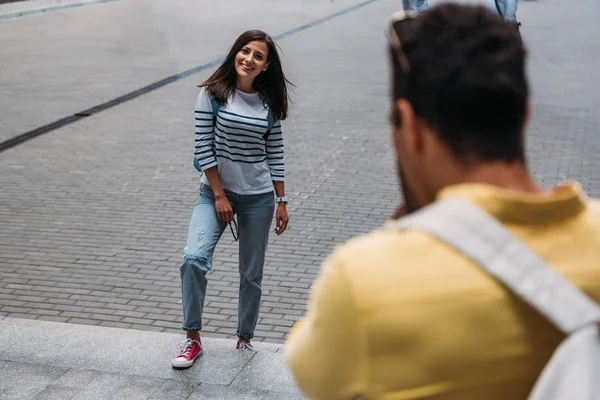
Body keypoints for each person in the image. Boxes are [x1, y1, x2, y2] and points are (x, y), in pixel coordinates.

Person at [285, 4, 600, 399]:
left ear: (410, 126)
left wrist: (409, 225)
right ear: (525, 116)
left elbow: (311, 371)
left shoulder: (362, 282)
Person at [172, 30, 291, 369]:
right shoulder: (213, 94)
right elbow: (202, 148)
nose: (249, 59)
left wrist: (282, 201)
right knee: (193, 259)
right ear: (235, 53)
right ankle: (191, 339)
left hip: (258, 199)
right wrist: (220, 196)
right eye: (245, 51)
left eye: (258, 56)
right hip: (214, 195)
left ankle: (244, 340)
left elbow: (276, 153)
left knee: (251, 274)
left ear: (266, 66)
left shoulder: (269, 106)